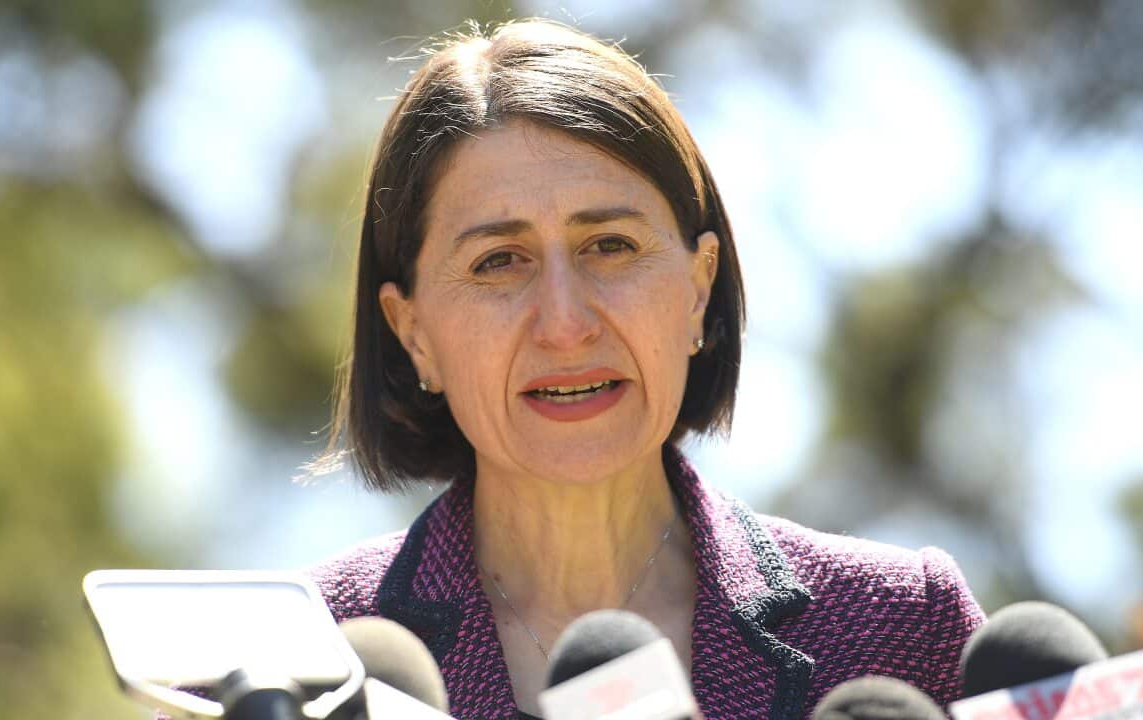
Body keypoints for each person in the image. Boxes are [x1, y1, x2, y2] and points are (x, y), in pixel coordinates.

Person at [309, 18, 985, 720]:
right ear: (412, 332)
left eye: (610, 245)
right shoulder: (294, 660)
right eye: (499, 262)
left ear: (696, 291)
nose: (566, 324)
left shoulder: (905, 629)